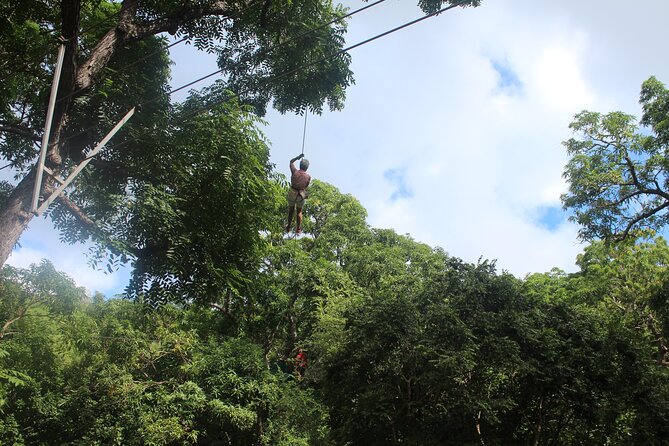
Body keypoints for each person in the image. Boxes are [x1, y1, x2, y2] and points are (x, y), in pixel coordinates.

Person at [286, 153, 311, 234]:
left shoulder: (294, 171)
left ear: (300, 165)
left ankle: (289, 226)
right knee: (299, 211)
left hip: (292, 193)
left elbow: (291, 162)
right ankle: (298, 229)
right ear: (307, 168)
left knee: (291, 210)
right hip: (300, 195)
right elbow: (306, 186)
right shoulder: (308, 176)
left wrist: (298, 157)